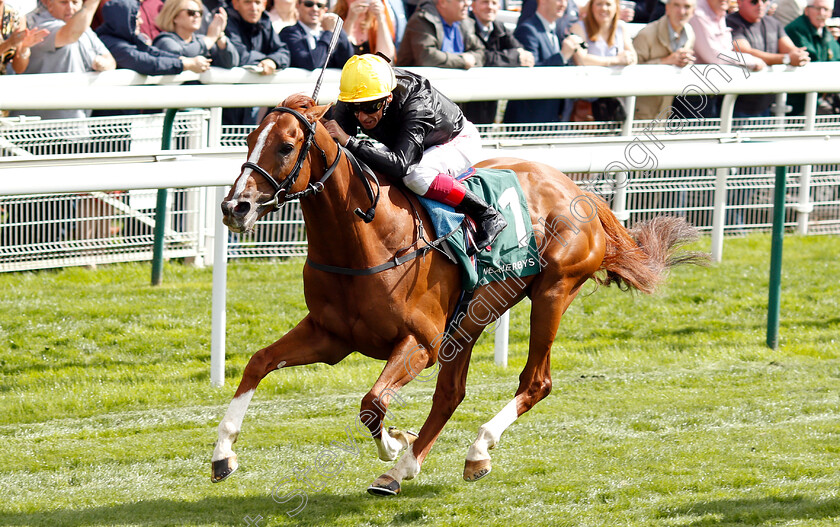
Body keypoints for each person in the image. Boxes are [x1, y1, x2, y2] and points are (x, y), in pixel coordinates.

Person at [323, 54, 508, 252]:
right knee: (366, 166)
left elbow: (401, 165)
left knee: (416, 176)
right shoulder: (355, 96)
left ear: (388, 98)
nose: (362, 116)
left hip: (456, 140)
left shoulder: (418, 104)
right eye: (355, 108)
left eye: (370, 107)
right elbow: (341, 150)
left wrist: (350, 141)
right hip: (408, 143)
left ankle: (486, 214)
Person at [9, 0, 112, 119]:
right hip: (39, 129)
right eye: (63, 2)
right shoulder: (35, 24)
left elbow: (110, 60)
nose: (70, 7)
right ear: (49, 4)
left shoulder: (83, 27)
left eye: (75, 2)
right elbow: (70, 34)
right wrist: (91, 4)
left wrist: (103, 64)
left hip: (76, 124)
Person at [504, 0, 584, 123]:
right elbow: (531, 75)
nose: (563, 4)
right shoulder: (527, 30)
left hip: (551, 117)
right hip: (529, 121)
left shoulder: (555, 31)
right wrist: (562, 56)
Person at [727, 0, 809, 117]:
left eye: (764, 1)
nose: (760, 5)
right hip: (735, 104)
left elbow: (790, 49)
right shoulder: (730, 21)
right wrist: (787, 59)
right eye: (754, 1)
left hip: (765, 105)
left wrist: (800, 55)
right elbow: (745, 52)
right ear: (739, 2)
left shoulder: (773, 23)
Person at [462, 0, 534, 123]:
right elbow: (479, 58)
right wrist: (513, 58)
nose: (490, 7)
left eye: (494, 3)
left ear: (499, 7)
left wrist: (516, 56)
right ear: (473, 6)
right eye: (485, 2)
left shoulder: (499, 27)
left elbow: (523, 53)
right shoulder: (464, 26)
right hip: (466, 101)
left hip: (489, 100)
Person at [96, 0, 211, 73]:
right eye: (136, 18)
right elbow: (143, 61)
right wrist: (185, 64)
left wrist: (182, 60)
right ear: (123, 21)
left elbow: (153, 52)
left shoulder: (130, 38)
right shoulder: (110, 42)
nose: (141, 22)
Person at [225, 0, 290, 124]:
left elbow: (284, 52)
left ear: (264, 5)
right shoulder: (226, 21)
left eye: (258, 2)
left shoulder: (265, 21)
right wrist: (265, 60)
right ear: (236, 4)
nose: (253, 7)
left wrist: (272, 61)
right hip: (227, 100)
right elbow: (239, 55)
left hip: (253, 99)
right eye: (247, 2)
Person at [632, 0, 697, 120]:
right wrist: (665, 61)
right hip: (639, 112)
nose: (681, 12)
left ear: (693, 11)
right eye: (676, 5)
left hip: (665, 110)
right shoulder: (646, 34)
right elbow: (631, 73)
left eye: (687, 7)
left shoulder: (690, 34)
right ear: (667, 8)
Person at [785, 0, 840, 114]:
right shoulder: (797, 29)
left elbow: (836, 56)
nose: (822, 13)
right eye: (818, 8)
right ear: (807, 10)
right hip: (798, 101)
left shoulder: (824, 31)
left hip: (818, 97)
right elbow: (812, 60)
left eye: (826, 10)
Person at [395, 0, 484, 68]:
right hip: (422, 89)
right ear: (443, 2)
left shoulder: (465, 23)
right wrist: (462, 61)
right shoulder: (422, 20)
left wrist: (471, 59)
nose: (467, 4)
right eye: (461, 0)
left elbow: (480, 52)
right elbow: (427, 57)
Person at [153, 0, 239, 68]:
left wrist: (219, 35)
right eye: (191, 12)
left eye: (200, 13)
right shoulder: (164, 40)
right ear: (174, 16)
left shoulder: (201, 39)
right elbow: (179, 55)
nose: (197, 15)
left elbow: (231, 63)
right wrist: (210, 38)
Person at [279, 0, 353, 69]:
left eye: (320, 5)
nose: (315, 9)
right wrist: (329, 32)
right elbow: (311, 63)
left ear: (325, 10)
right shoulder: (289, 33)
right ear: (297, 6)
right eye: (309, 4)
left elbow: (348, 63)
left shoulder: (329, 34)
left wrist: (338, 28)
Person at [570, 0, 638, 66]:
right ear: (591, 7)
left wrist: (628, 58)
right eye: (599, 4)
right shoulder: (579, 27)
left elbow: (633, 58)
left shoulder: (621, 27)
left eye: (608, 4)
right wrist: (616, 60)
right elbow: (581, 60)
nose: (604, 8)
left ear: (616, 7)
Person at [1, 0, 48, 75]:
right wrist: (8, 44)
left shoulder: (16, 16)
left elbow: (19, 69)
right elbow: (10, 43)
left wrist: (24, 48)